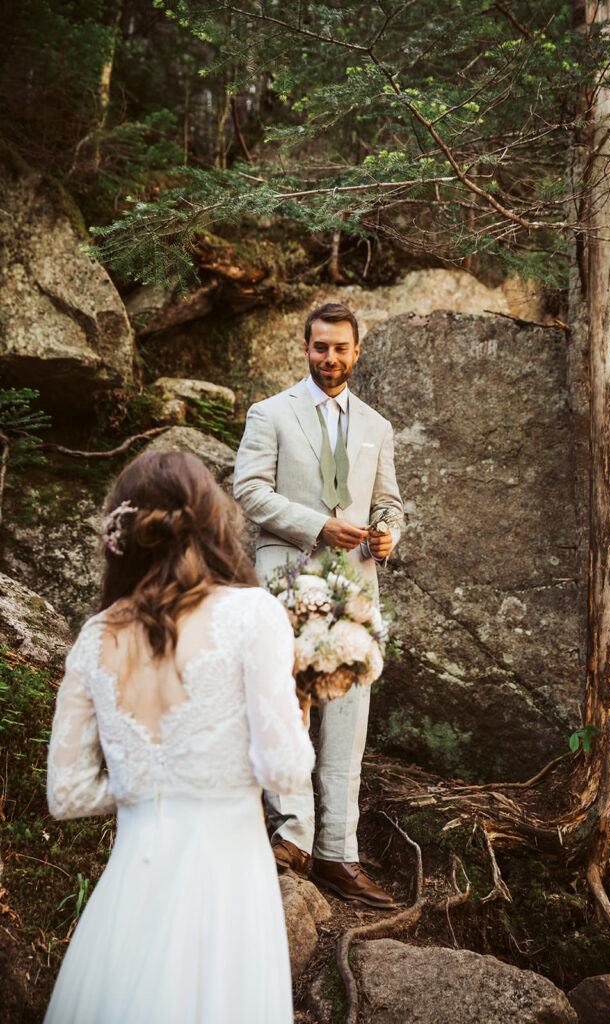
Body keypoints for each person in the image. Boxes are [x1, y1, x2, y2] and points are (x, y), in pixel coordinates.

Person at [44, 450, 314, 1024]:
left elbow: (65, 796)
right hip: (227, 892)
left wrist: (148, 783)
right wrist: (301, 711)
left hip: (128, 890)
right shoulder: (253, 615)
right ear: (212, 519)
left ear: (125, 532)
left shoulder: (94, 638)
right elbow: (284, 773)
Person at [233, 302, 403, 909]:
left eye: (340, 348)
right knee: (292, 705)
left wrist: (387, 534)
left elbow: (389, 503)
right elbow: (249, 490)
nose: (330, 358)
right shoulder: (270, 414)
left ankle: (339, 852)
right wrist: (316, 526)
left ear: (357, 352)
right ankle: (294, 839)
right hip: (288, 577)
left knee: (348, 719)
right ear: (305, 349)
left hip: (356, 586)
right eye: (319, 347)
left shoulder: (377, 427)